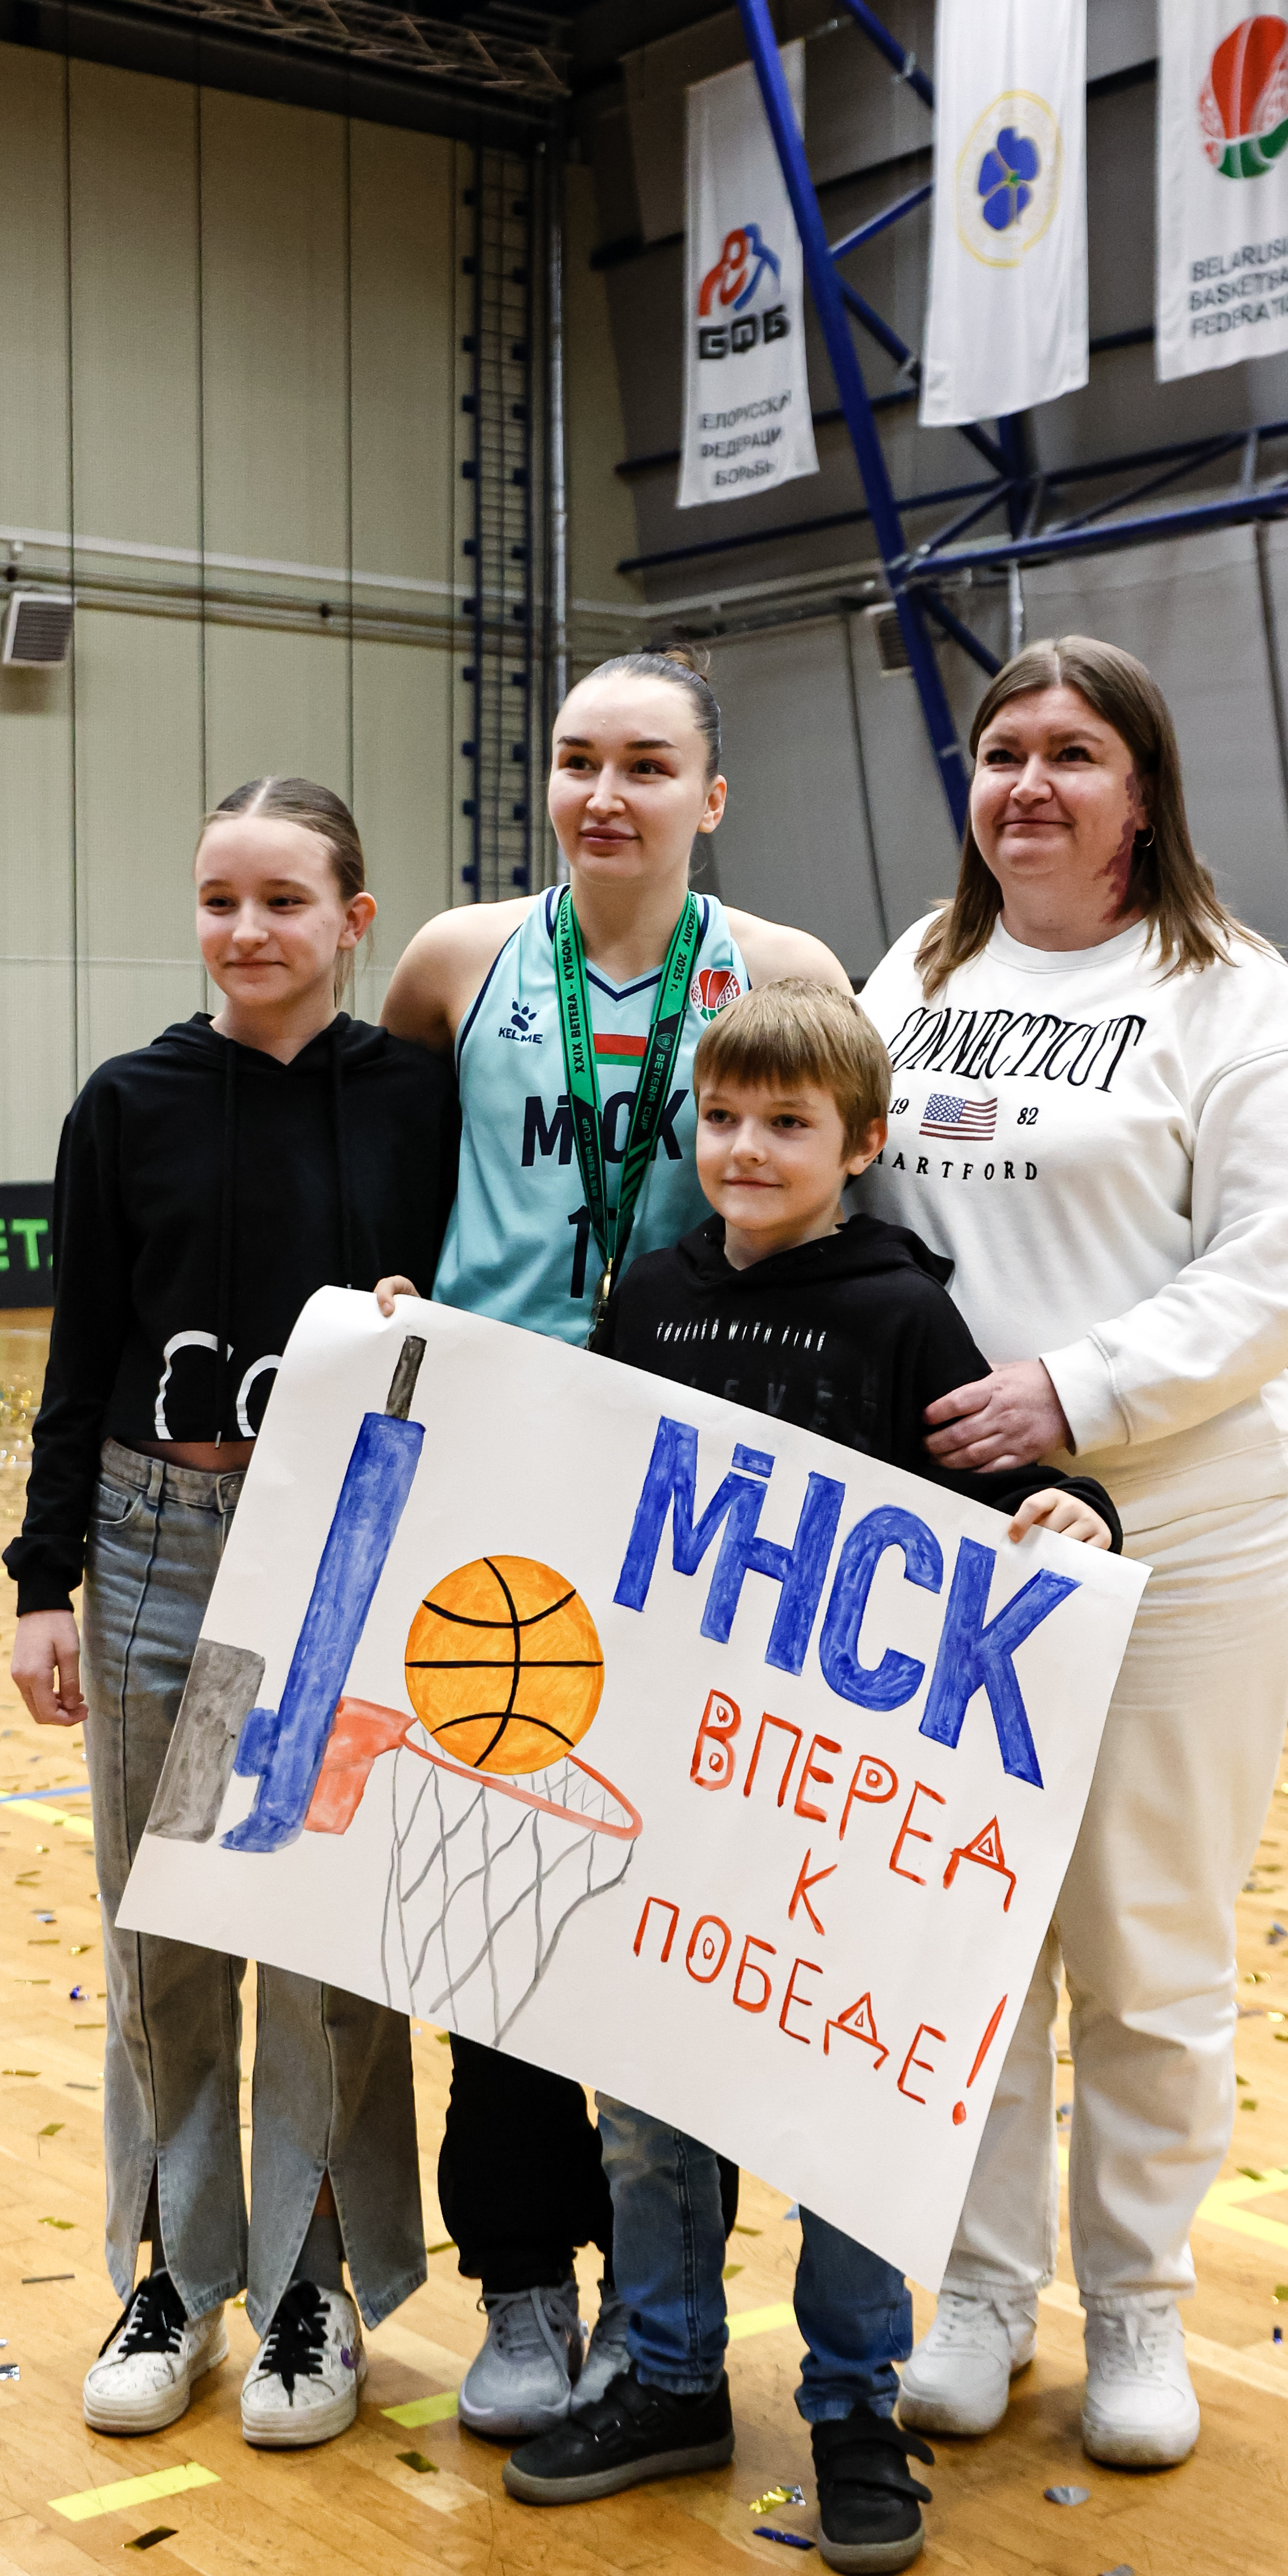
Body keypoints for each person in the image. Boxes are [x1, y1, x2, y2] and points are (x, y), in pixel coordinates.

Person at [495, 979, 1120, 2571]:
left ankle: (851, 2408)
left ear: (862, 1143)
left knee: (838, 2115)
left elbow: (999, 1487)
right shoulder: (650, 1294)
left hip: (835, 1819)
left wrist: (1072, 1513)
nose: (746, 1149)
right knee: (645, 2105)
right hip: (668, 1783)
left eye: (787, 1123)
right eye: (720, 1118)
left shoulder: (902, 1311)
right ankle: (669, 2378)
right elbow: (586, 1481)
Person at [854, 636, 1288, 2469]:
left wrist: (1073, 1391)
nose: (1030, 785)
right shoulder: (914, 973)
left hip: (1190, 1535)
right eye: (1004, 752)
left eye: (1074, 754)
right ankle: (981, 2295)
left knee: (1144, 1943)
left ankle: (1136, 2305)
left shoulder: (1228, 993)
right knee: (963, 1936)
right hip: (955, 1544)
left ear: (1141, 793)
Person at [379, 646, 850, 2441]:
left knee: (674, 1910)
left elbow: (834, 1212)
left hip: (692, 1496)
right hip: (494, 1478)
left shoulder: (785, 972)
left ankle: (666, 2316)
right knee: (485, 1903)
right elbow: (394, 1171)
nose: (603, 792)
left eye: (646, 764)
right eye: (578, 759)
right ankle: (519, 2287)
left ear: (708, 796)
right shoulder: (457, 960)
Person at [5, 777, 458, 2450]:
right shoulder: (127, 1101)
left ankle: (312, 2284)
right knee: (167, 1925)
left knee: (328, 1935)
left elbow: (476, 1326)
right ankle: (175, 2276)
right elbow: (79, 1351)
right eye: (219, 900)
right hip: (152, 1542)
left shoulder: (417, 1101)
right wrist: (42, 1579)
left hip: (344, 1548)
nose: (246, 930)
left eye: (282, 900)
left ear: (352, 919)